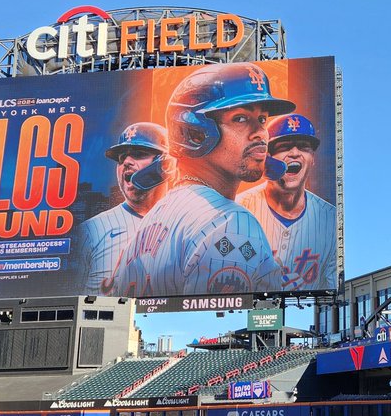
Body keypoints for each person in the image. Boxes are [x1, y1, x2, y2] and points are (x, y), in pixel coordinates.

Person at [114, 63, 293, 296]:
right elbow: (220, 320)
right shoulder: (229, 222)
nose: (260, 132)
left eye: (261, 119)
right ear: (195, 133)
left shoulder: (149, 224)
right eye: (240, 119)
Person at [238, 114, 338, 291]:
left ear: (312, 158)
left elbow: (331, 288)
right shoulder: (239, 209)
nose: (294, 153)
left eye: (304, 147)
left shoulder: (331, 218)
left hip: (303, 312)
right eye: (284, 147)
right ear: (267, 157)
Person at [80, 122, 170, 294]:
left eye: (139, 154)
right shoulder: (91, 230)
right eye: (121, 158)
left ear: (166, 164)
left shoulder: (190, 223)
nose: (127, 162)